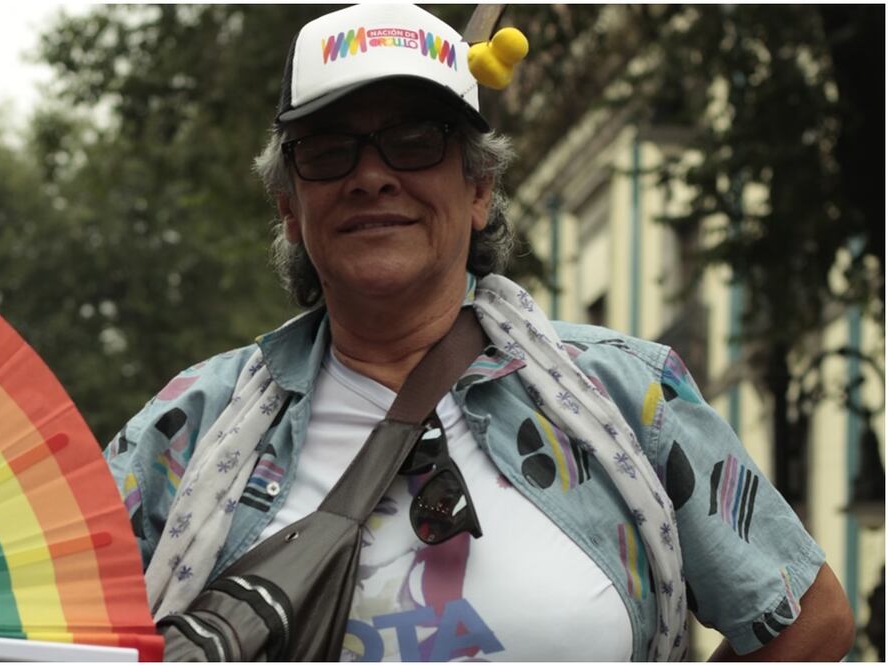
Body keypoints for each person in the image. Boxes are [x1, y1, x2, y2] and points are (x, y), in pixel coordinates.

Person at [106, 4, 854, 661]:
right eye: (330, 150)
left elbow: (809, 620)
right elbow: (43, 628)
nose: (371, 175)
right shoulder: (188, 428)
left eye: (416, 140)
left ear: (479, 190)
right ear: (291, 208)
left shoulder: (629, 393)